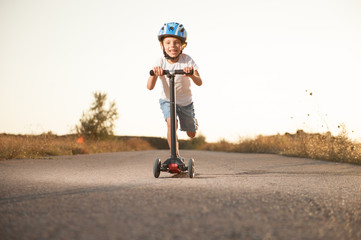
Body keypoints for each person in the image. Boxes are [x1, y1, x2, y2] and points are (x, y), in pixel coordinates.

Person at [147, 22, 202, 156]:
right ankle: (175, 156)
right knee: (172, 124)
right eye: (168, 43)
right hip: (167, 100)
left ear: (183, 45)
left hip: (185, 102)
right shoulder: (160, 62)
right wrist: (155, 74)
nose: (172, 46)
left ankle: (192, 123)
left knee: (191, 134)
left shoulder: (187, 60)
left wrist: (191, 74)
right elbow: (149, 87)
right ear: (162, 45)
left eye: (176, 42)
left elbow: (199, 82)